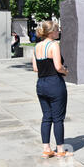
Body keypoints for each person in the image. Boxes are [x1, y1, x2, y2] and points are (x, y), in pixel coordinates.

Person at [31, 21, 70, 159]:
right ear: (51, 32)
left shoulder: (36, 47)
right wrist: (66, 71)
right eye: (57, 30)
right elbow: (58, 66)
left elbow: (35, 68)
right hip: (54, 83)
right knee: (58, 118)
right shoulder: (54, 45)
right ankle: (60, 149)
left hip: (41, 84)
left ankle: (46, 149)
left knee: (46, 117)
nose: (59, 32)